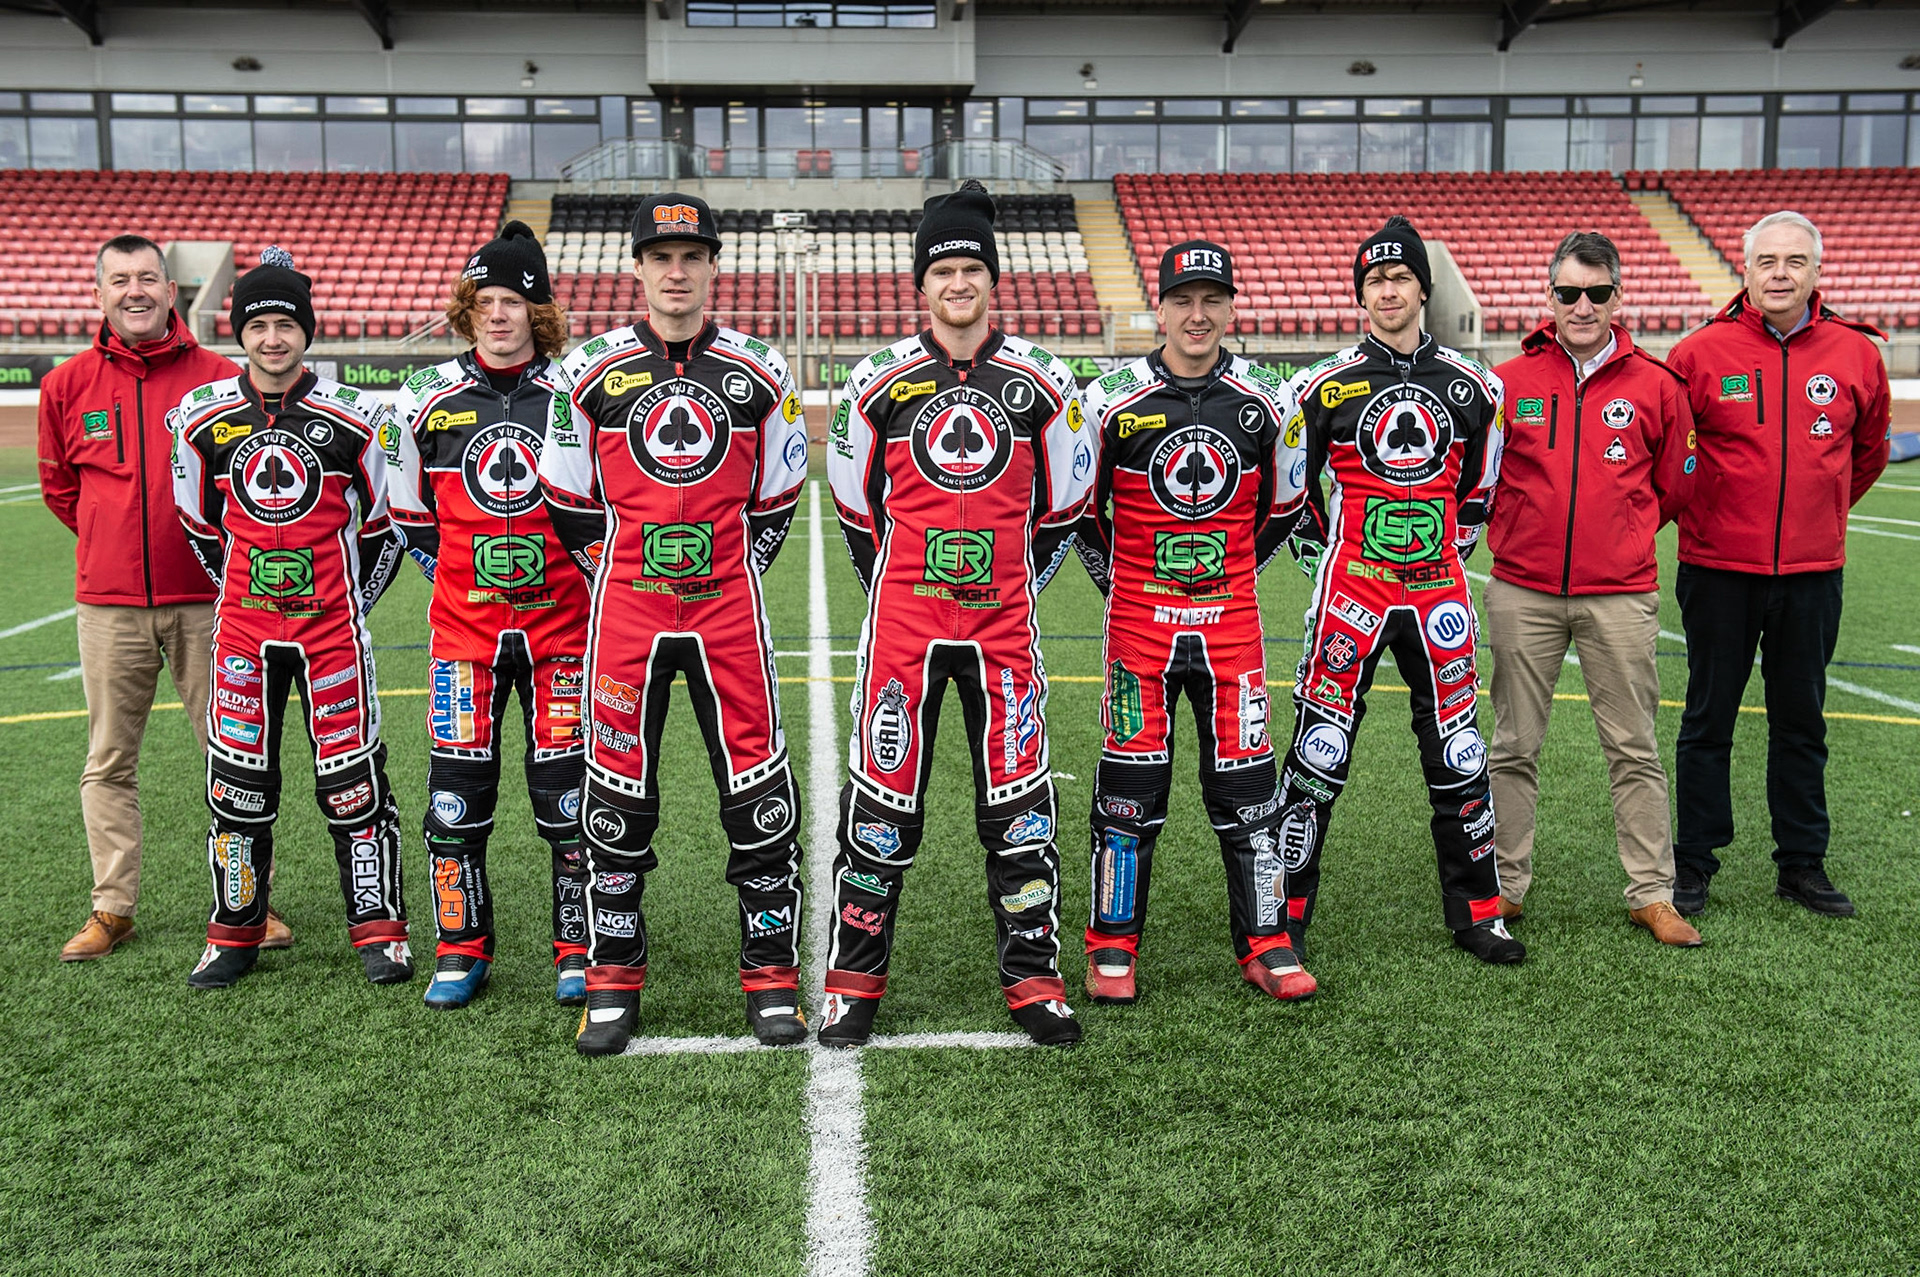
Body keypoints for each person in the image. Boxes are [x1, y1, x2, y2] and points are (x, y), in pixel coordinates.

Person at [823, 181, 1093, 1047]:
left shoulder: (1043, 382)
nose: (958, 282)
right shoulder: (879, 381)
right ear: (921, 283)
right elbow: (853, 506)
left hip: (1005, 632)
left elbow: (1064, 505)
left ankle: (1034, 977)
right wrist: (900, 584)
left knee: (1018, 805)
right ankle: (853, 981)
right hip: (904, 629)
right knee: (881, 799)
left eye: (972, 266)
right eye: (943, 268)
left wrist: (1009, 581)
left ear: (993, 279)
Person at [539, 194, 811, 1055]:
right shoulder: (586, 371)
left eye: (692, 254)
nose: (677, 270)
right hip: (627, 617)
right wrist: (636, 572)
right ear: (638, 267)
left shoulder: (762, 370)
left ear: (714, 266)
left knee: (758, 794)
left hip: (730, 612)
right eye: (661, 255)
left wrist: (715, 571)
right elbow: (567, 497)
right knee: (616, 797)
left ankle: (771, 976)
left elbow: (777, 498)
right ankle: (613, 977)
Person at [39, 234, 294, 961]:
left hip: (210, 602)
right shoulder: (66, 386)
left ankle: (249, 900)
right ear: (100, 293)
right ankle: (112, 906)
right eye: (119, 280)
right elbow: (62, 490)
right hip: (108, 605)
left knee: (232, 755)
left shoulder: (219, 378)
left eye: (147, 277)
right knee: (109, 759)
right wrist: (108, 540)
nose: (135, 291)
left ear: (170, 289)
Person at [1072, 240, 1315, 1004]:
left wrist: (1233, 568)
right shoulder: (1110, 397)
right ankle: (1112, 947)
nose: (1198, 314)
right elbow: (1080, 510)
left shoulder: (1270, 400)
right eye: (1183, 300)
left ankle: (1268, 942)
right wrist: (1125, 582)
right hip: (1137, 629)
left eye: (1213, 300)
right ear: (1162, 307)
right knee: (1128, 790)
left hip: (1232, 628)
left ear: (1231, 307)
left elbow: (1286, 505)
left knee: (1249, 790)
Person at [1281, 215, 1521, 965]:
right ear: (1361, 294)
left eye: (1400, 278)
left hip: (1438, 594)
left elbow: (1481, 490)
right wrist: (1331, 556)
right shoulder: (1321, 384)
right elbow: (1293, 493)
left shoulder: (1475, 384)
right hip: (1351, 592)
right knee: (1318, 753)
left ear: (1423, 287)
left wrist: (1444, 554)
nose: (1388, 291)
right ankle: (1281, 912)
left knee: (1458, 751)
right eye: (1375, 280)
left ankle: (1479, 911)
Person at [170, 247, 409, 989]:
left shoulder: (355, 415)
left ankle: (379, 929)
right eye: (259, 324)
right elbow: (199, 524)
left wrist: (349, 603)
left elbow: (386, 522)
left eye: (286, 324)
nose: (273, 338)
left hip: (332, 634)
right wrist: (245, 594)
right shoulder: (201, 417)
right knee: (237, 783)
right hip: (243, 634)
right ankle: (233, 930)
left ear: (307, 330)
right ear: (239, 331)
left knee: (354, 781)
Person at [386, 222, 593, 1009]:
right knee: (455, 801)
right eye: (484, 300)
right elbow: (409, 515)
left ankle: (578, 945)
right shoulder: (422, 399)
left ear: (538, 311)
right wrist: (467, 584)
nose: (498, 314)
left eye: (514, 300)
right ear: (465, 310)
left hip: (564, 635)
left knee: (567, 800)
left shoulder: (574, 394)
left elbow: (594, 509)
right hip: (464, 638)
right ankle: (461, 946)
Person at [1664, 210, 1891, 918]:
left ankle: (1802, 864)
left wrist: (1815, 514)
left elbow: (1869, 453)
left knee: (1802, 721)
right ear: (1747, 269)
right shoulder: (1698, 352)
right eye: (1768, 261)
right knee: (1708, 719)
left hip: (1812, 573)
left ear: (1816, 271)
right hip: (1718, 570)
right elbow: (1674, 454)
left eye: (1795, 261)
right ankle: (1693, 864)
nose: (1781, 274)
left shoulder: (1857, 354)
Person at [1486, 232, 1700, 947]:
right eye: (1569, 292)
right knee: (1513, 742)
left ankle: (1652, 891)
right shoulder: (1508, 380)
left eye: (1597, 292)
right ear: (1548, 297)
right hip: (1523, 588)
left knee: (1634, 746)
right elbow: (1482, 482)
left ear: (1618, 296)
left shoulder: (1658, 385)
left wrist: (1624, 536)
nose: (1583, 305)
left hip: (1620, 593)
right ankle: (1504, 885)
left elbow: (1671, 487)